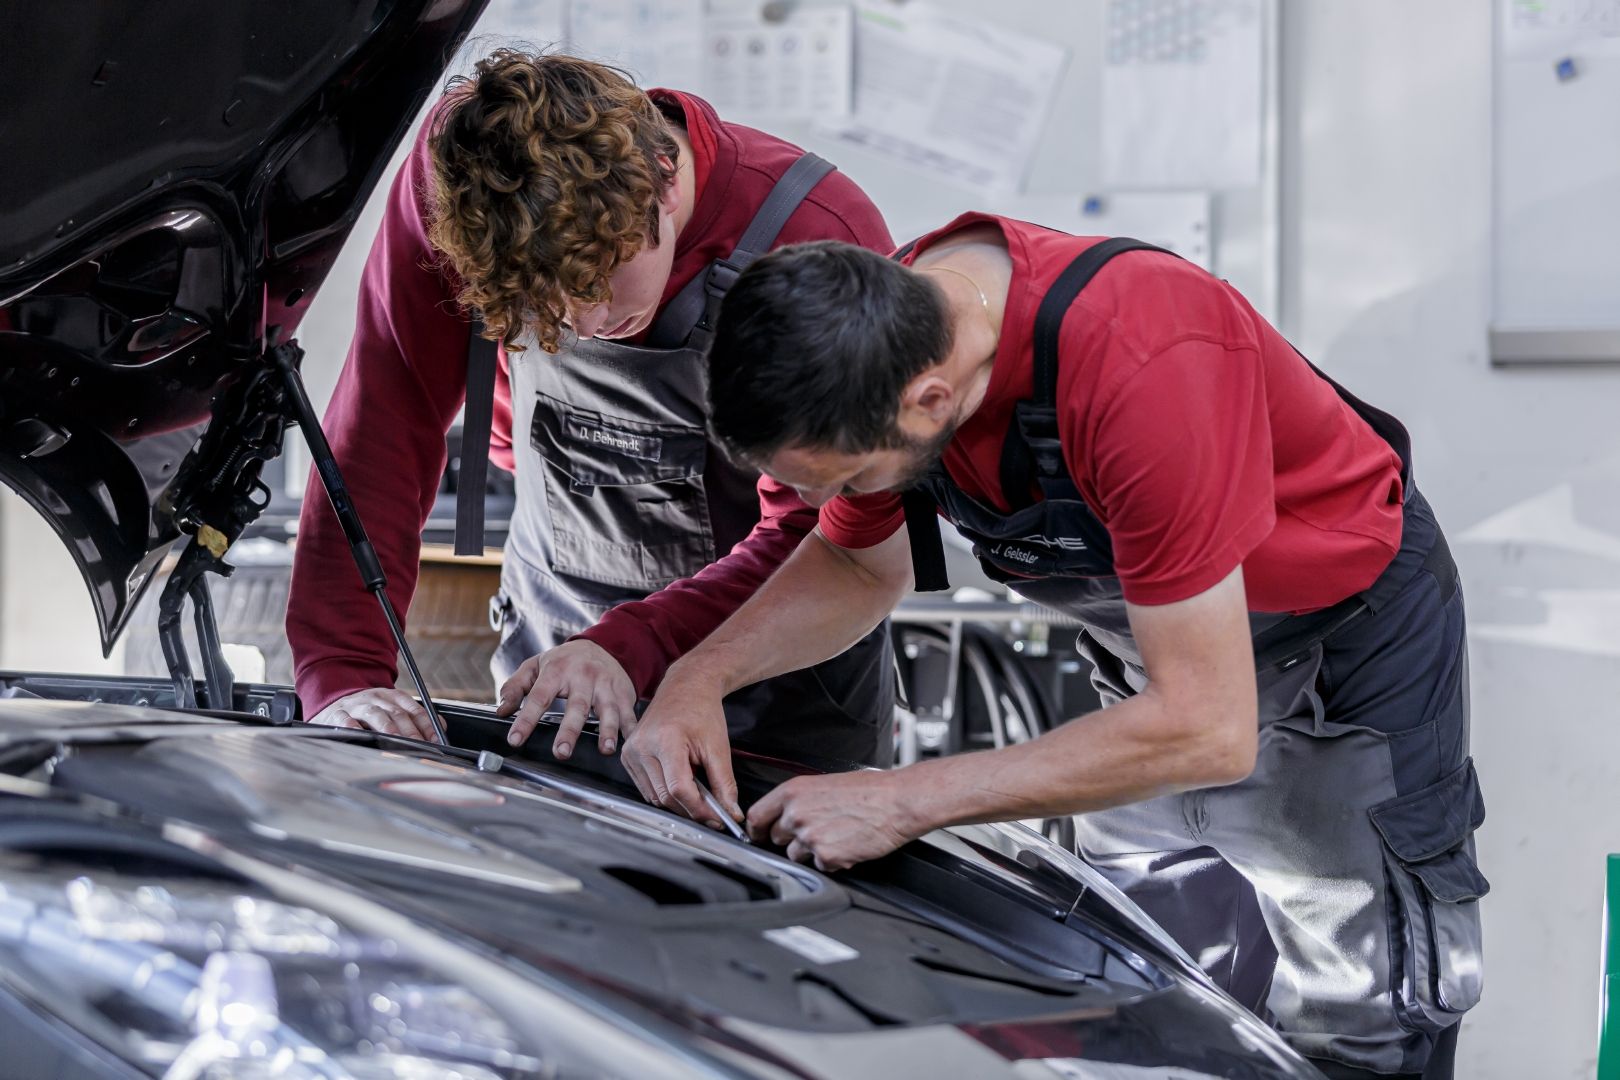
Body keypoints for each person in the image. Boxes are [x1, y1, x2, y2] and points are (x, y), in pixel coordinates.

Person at [617, 216, 1485, 1079]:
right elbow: (852, 560)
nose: (836, 497)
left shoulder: (1141, 362)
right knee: (1156, 989)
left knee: (1351, 1018)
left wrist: (905, 799)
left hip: (1339, 651)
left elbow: (1207, 728)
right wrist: (699, 676)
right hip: (1157, 659)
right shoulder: (886, 330)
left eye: (846, 479)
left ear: (930, 401)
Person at [286, 50, 894, 768]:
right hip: (555, 666)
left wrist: (627, 645)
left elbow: (819, 534)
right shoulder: (465, 184)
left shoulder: (819, 236)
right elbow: (386, 416)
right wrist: (341, 674)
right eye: (540, 311)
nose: (585, 325)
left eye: (602, 279)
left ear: (663, 183)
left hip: (772, 691)